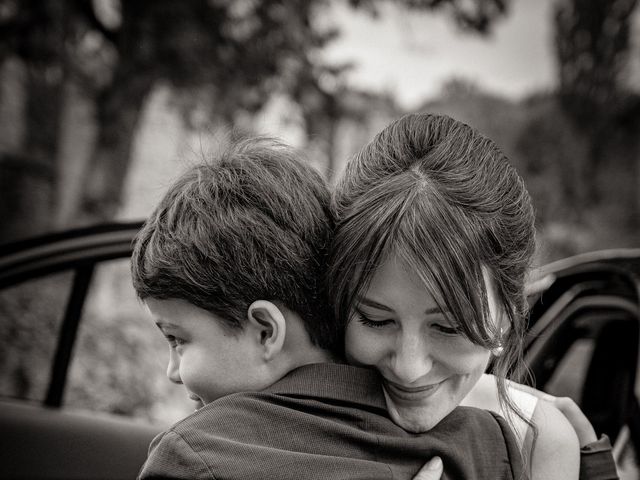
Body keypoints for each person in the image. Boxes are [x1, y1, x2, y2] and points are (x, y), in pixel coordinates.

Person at [132, 137, 527, 480]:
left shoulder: (196, 457)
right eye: (376, 319)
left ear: (268, 330)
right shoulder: (491, 447)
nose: (409, 369)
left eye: (176, 339)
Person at [325, 113, 614, 479]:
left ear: (509, 315)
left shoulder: (537, 441)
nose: (409, 369)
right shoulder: (280, 410)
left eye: (448, 327)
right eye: (376, 319)